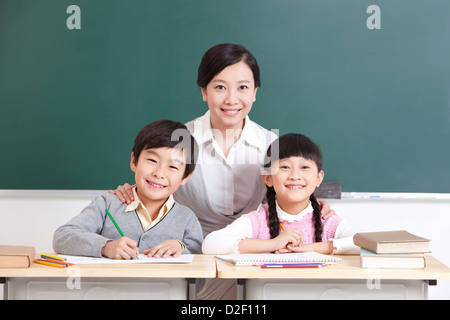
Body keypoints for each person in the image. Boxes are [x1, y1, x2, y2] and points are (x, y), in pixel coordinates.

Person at [110, 43, 335, 237]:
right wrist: (132, 191)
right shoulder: (179, 140)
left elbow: (281, 199)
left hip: (253, 248)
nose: (231, 99)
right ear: (204, 91)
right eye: (220, 87)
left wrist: (309, 206)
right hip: (186, 247)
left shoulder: (271, 144)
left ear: (255, 92)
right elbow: (159, 181)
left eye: (243, 88)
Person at [53, 120, 203, 259]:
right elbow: (62, 237)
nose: (159, 173)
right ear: (133, 161)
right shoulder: (106, 205)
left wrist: (180, 247)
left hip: (166, 288)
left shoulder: (187, 219)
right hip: (107, 288)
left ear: (185, 177)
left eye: (172, 167)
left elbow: (200, 261)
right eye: (152, 160)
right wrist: (105, 247)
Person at [202, 133, 359, 255]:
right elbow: (211, 244)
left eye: (304, 167)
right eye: (284, 167)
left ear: (319, 178)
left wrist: (311, 248)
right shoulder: (258, 220)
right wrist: (274, 244)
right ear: (268, 178)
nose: (295, 175)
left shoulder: (327, 221)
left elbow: (367, 244)